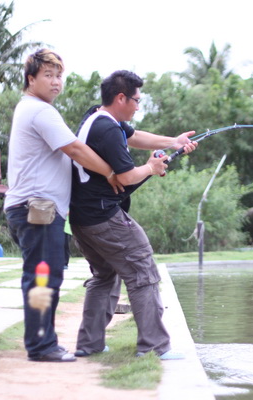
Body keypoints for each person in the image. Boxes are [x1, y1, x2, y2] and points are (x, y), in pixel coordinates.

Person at [5, 49, 123, 362]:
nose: (56, 82)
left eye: (59, 75)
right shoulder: (40, 111)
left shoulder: (32, 108)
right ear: (31, 79)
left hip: (37, 208)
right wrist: (110, 172)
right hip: (37, 209)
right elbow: (74, 149)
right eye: (48, 75)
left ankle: (41, 343)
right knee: (43, 277)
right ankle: (42, 346)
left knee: (44, 274)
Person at [69, 70, 197, 359]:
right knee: (144, 272)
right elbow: (127, 177)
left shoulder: (98, 118)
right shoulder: (109, 129)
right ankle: (154, 347)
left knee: (105, 275)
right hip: (103, 217)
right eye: (136, 101)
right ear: (121, 98)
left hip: (82, 218)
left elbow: (136, 136)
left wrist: (173, 143)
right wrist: (152, 168)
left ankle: (90, 344)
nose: (138, 106)